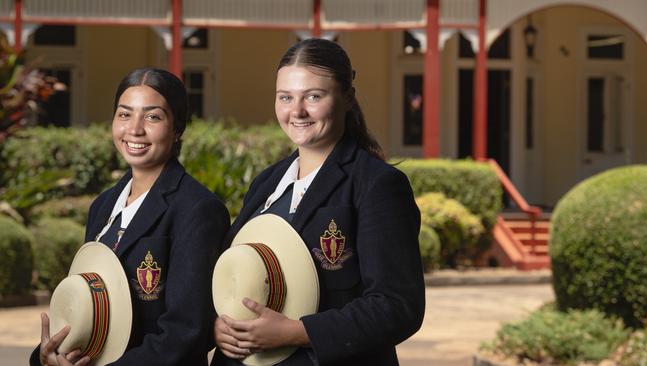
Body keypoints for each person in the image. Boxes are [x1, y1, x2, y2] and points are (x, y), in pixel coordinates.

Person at [212, 39, 425, 366]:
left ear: (348, 98)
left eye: (313, 96)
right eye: (285, 97)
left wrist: (298, 332)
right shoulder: (266, 184)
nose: (296, 111)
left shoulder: (377, 184)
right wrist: (220, 326)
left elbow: (397, 306)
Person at [32, 68, 230, 366]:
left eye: (152, 117)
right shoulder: (103, 206)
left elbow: (185, 332)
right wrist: (51, 355)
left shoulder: (197, 209)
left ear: (177, 128)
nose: (134, 129)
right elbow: (89, 307)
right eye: (124, 115)